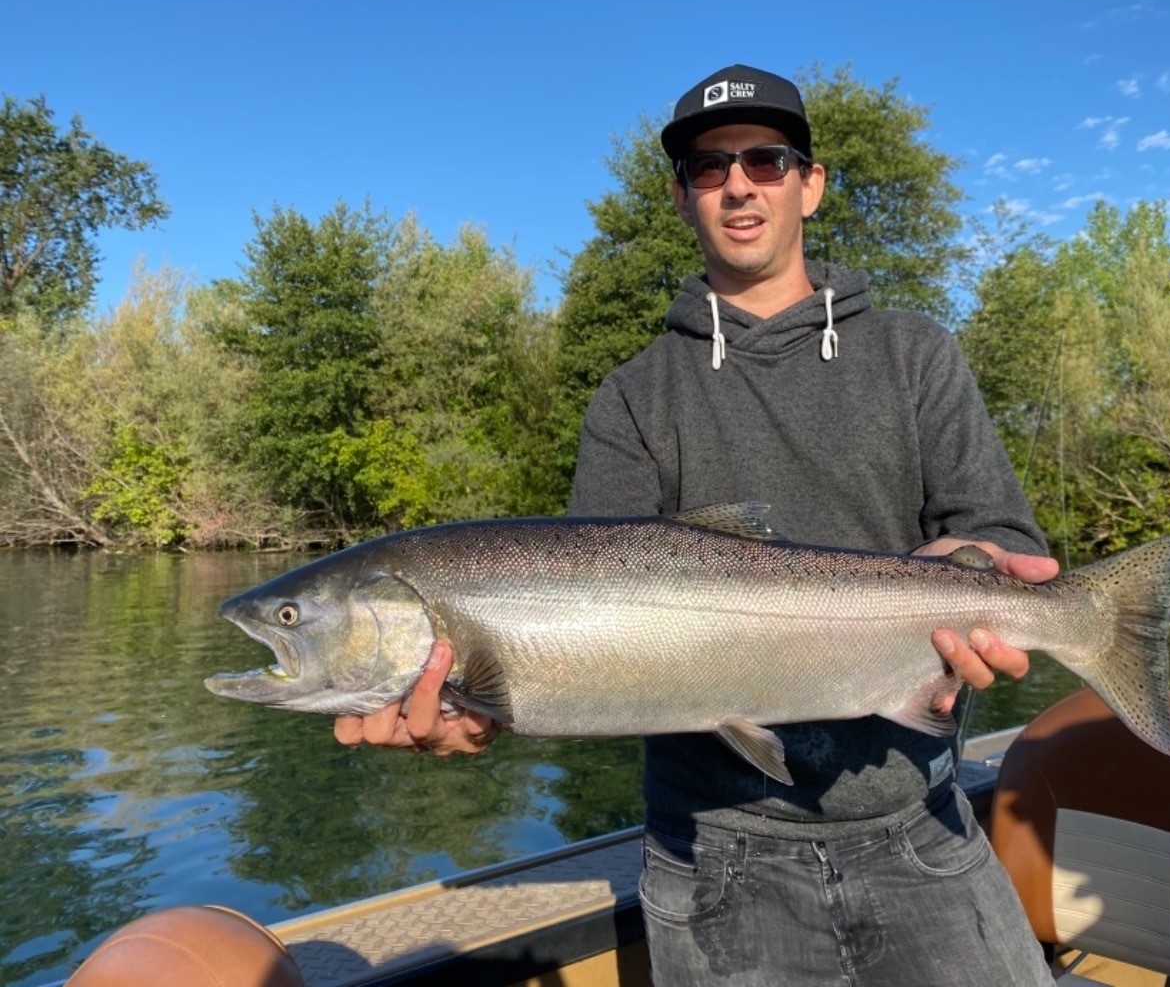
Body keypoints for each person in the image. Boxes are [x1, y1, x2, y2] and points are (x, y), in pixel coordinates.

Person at [335, 63, 1059, 986]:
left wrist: (982, 565)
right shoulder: (633, 396)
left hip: (922, 826)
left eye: (765, 158)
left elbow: (1006, 537)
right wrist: (478, 717)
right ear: (683, 197)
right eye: (710, 168)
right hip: (712, 862)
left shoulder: (917, 353)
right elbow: (588, 637)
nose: (739, 184)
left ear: (811, 182)